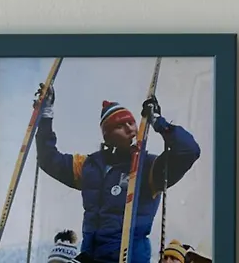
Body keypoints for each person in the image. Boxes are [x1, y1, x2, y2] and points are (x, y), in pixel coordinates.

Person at [35, 83, 201, 263]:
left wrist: (158, 121)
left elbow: (189, 151)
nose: (130, 129)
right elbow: (48, 159)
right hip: (91, 257)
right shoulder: (89, 166)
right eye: (120, 126)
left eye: (131, 123)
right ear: (107, 135)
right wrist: (45, 114)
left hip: (129, 258)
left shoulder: (148, 167)